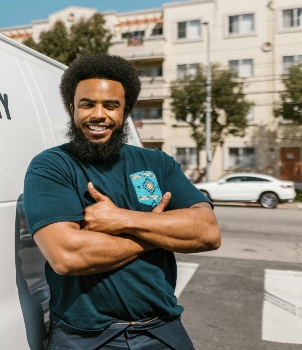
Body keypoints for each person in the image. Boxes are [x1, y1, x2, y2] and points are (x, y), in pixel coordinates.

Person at [23, 54, 221, 350]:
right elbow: (67, 255)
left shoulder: (157, 163)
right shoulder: (52, 166)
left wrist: (123, 220)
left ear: (125, 110)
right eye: (87, 104)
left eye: (111, 105)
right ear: (71, 108)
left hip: (162, 329)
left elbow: (208, 231)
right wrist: (159, 234)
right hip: (83, 337)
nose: (98, 115)